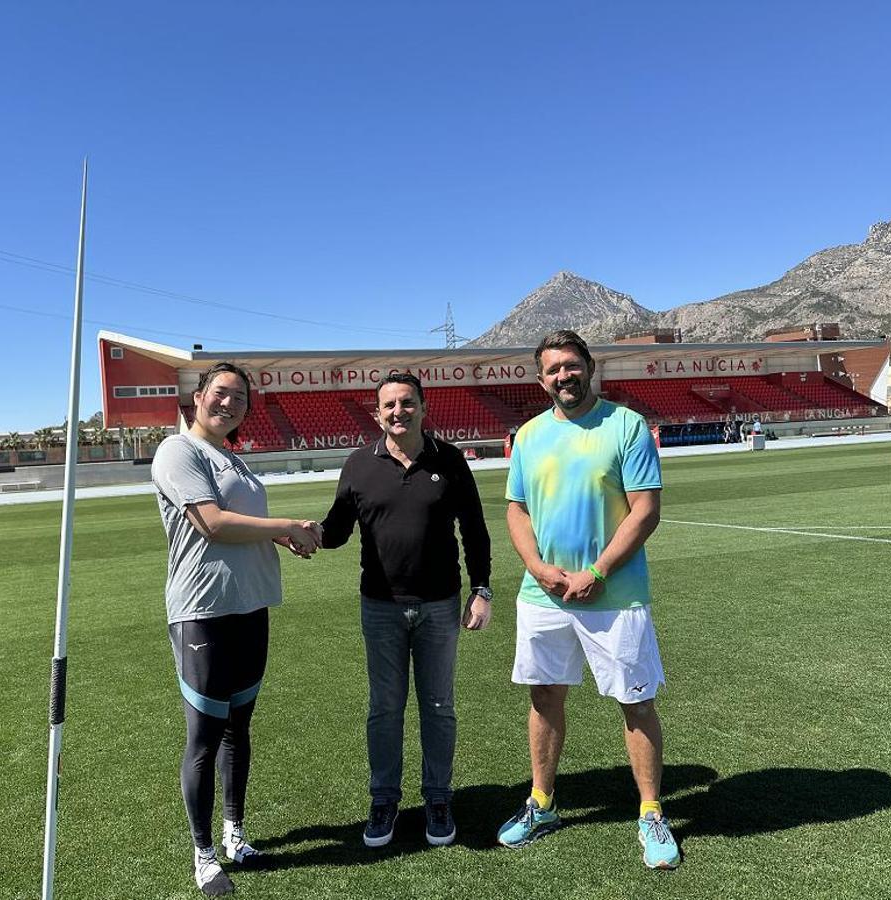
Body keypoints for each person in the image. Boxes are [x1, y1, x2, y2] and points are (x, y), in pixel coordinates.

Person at [497, 330, 680, 870]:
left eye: (571, 366)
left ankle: (650, 812)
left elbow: (645, 509)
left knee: (636, 702)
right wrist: (536, 566)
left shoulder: (625, 426)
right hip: (543, 594)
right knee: (544, 698)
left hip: (613, 595)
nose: (563, 376)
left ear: (589, 367)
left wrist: (598, 571)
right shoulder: (528, 436)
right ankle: (543, 803)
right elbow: (516, 510)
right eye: (552, 369)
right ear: (540, 378)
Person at [152, 362, 322, 896]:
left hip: (251, 606)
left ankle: (234, 832)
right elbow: (212, 523)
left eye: (240, 399)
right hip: (203, 610)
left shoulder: (233, 459)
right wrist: (286, 526)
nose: (230, 404)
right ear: (198, 397)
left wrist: (280, 540)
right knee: (203, 736)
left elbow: (241, 526)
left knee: (238, 729)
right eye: (221, 394)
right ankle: (203, 853)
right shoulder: (178, 451)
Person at [320, 372, 493, 849]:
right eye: (389, 405)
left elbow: (475, 530)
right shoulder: (358, 464)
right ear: (377, 413)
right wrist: (301, 532)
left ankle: (438, 797)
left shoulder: (450, 459)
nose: (398, 411)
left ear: (423, 406)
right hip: (380, 608)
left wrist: (482, 590)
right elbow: (336, 530)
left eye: (407, 402)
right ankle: (384, 800)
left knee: (439, 708)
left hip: (440, 605)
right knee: (385, 708)